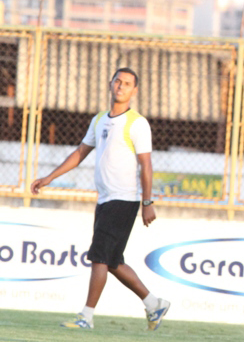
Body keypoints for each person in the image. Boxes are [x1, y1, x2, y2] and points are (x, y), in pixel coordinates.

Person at [30, 67, 170, 330]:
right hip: (105, 200)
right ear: (110, 83)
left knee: (99, 258)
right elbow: (80, 153)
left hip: (123, 200)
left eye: (127, 83)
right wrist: (49, 177)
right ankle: (154, 304)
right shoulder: (99, 120)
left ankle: (86, 316)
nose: (121, 86)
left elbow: (146, 165)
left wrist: (147, 202)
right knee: (113, 262)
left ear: (134, 91)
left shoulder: (137, 123)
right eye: (118, 81)